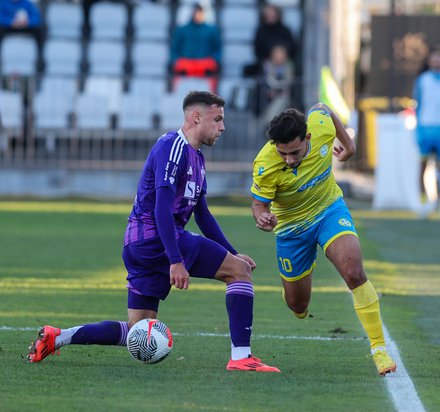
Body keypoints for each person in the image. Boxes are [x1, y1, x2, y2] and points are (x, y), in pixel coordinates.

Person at [28, 91, 280, 373]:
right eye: (218, 119)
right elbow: (161, 209)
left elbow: (203, 214)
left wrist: (233, 253)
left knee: (138, 328)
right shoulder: (173, 146)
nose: (223, 127)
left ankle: (57, 336)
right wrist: (175, 260)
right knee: (239, 273)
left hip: (141, 244)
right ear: (196, 117)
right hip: (155, 239)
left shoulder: (196, 158)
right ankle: (241, 357)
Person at [250, 105, 397, 376]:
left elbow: (324, 109)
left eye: (294, 152)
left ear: (307, 138)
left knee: (354, 272)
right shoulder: (265, 163)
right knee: (298, 305)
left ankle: (379, 349)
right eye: (282, 153)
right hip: (291, 228)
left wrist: (349, 145)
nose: (289, 159)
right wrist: (263, 218)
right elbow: (259, 206)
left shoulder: (319, 126)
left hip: (328, 209)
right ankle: (294, 292)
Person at [412, 47, 440, 218]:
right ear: (429, 60)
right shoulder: (422, 80)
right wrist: (417, 130)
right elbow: (417, 104)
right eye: (434, 58)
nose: (437, 61)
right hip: (426, 128)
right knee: (423, 167)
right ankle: (423, 203)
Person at [170, 3, 222, 92]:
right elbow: (175, 48)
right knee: (178, 72)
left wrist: (215, 61)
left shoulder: (212, 30)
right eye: (196, 12)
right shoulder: (182, 30)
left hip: (205, 64)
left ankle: (211, 98)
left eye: (200, 12)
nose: (198, 15)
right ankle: (176, 95)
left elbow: (217, 49)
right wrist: (176, 60)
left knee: (212, 73)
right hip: (186, 64)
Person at [0, 0, 45, 73]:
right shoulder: (3, 3)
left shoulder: (27, 4)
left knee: (40, 30)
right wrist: (11, 21)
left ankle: (40, 59)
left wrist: (27, 22)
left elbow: (37, 18)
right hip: (9, 27)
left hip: (25, 27)